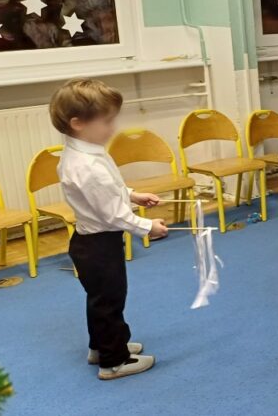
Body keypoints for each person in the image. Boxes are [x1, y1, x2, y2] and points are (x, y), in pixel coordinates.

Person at [51, 78, 167, 380]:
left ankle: (101, 347)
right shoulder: (87, 165)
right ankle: (113, 362)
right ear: (77, 123)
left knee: (100, 299)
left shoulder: (84, 152)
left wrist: (132, 194)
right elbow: (113, 214)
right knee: (110, 301)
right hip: (99, 244)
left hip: (92, 241)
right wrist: (147, 227)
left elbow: (106, 191)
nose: (113, 128)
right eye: (106, 121)